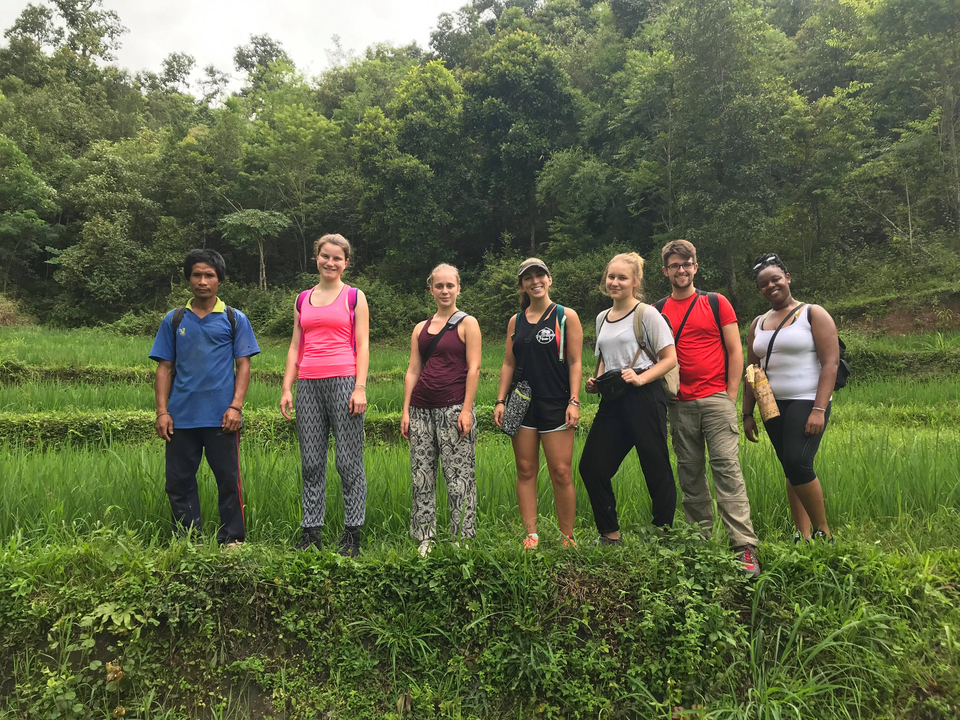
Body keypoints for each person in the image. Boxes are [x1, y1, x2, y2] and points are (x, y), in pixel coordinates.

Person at [657, 239, 760, 576]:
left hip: (716, 399)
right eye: (674, 265)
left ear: (695, 267)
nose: (681, 270)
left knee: (727, 469)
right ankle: (699, 543)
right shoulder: (658, 311)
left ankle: (743, 546)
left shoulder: (716, 303)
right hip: (679, 403)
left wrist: (730, 396)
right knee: (689, 473)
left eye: (687, 264)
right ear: (666, 271)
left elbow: (735, 351)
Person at [150, 249, 260, 549]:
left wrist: (236, 406)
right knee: (179, 482)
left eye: (209, 275)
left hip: (222, 417)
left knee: (228, 480)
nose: (202, 281)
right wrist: (162, 412)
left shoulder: (233, 319)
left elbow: (244, 365)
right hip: (181, 417)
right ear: (188, 279)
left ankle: (233, 538)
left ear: (219, 280)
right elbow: (164, 368)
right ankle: (189, 540)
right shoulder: (174, 320)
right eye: (196, 275)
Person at [280, 234, 370, 556]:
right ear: (316, 257)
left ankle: (352, 535)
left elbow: (363, 344)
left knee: (348, 462)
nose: (330, 263)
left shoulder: (354, 297)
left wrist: (360, 387)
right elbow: (295, 345)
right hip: (308, 384)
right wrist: (287, 386)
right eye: (325, 256)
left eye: (337, 258)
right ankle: (311, 533)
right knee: (312, 463)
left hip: (344, 382)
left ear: (346, 262)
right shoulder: (302, 298)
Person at [580, 252, 678, 544]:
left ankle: (663, 532)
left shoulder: (646, 314)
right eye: (611, 277)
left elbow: (669, 358)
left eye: (622, 277)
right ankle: (609, 534)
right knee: (592, 466)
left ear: (636, 281)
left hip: (644, 396)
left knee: (655, 464)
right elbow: (603, 358)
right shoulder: (601, 318)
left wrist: (640, 377)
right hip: (613, 399)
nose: (615, 282)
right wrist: (596, 379)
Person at [742, 253, 839, 543]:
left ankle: (823, 533)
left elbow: (830, 363)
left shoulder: (813, 313)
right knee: (789, 465)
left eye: (775, 279)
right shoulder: (757, 324)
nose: (770, 286)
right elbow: (752, 371)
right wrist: (747, 413)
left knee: (798, 462)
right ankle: (803, 535)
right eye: (763, 284)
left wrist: (819, 409)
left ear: (787, 278)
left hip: (807, 400)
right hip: (772, 405)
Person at [493, 258, 583, 549]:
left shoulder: (565, 316)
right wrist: (500, 400)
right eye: (528, 278)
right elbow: (508, 363)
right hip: (522, 404)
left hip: (556, 402)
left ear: (549, 279)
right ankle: (530, 534)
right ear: (522, 285)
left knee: (561, 470)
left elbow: (575, 361)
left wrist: (574, 400)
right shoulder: (515, 321)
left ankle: (567, 536)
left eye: (540, 275)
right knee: (526, 468)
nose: (535, 281)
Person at [400, 264, 482, 555]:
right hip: (421, 408)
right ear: (431, 289)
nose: (445, 290)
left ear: (459, 288)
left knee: (459, 477)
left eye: (450, 285)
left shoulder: (467, 323)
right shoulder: (421, 328)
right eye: (439, 286)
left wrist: (467, 410)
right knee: (421, 475)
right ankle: (425, 536)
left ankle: (462, 537)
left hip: (454, 408)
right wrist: (406, 410)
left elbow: (474, 368)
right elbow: (413, 370)